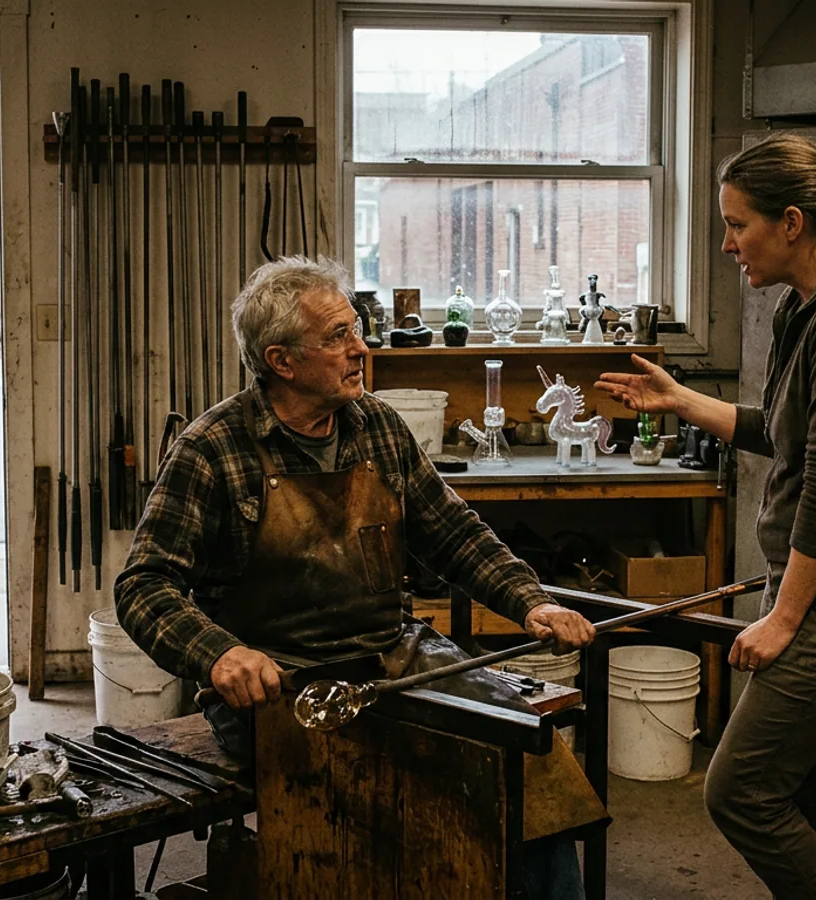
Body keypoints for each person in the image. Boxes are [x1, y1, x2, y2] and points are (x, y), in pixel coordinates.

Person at [115, 257, 599, 899]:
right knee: (384, 788)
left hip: (395, 659)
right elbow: (144, 586)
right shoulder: (215, 448)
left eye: (356, 328)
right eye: (338, 336)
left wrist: (529, 602)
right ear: (281, 360)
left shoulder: (378, 427)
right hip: (285, 684)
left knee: (529, 758)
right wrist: (220, 655)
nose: (360, 348)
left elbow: (453, 533)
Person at [596, 133, 816, 900]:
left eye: (738, 225)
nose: (727, 244)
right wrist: (681, 401)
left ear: (789, 222)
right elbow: (781, 433)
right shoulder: (805, 307)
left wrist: (782, 618)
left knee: (740, 790)